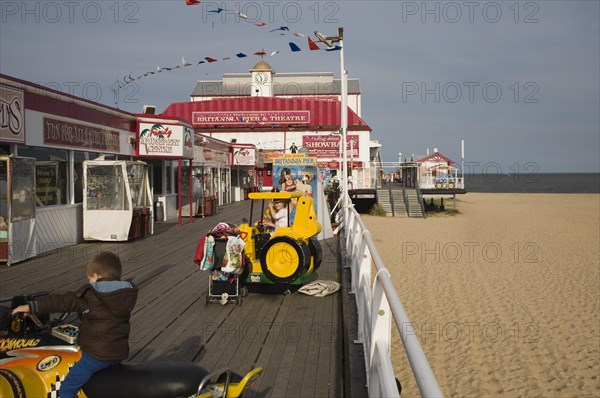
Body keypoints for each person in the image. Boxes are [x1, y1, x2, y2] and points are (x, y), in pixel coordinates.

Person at [12, 251, 138, 398]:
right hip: (118, 354)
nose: (89, 281)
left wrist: (30, 307)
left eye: (89, 278)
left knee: (66, 389)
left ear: (97, 276)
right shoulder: (124, 295)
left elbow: (61, 302)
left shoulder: (92, 296)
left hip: (97, 356)